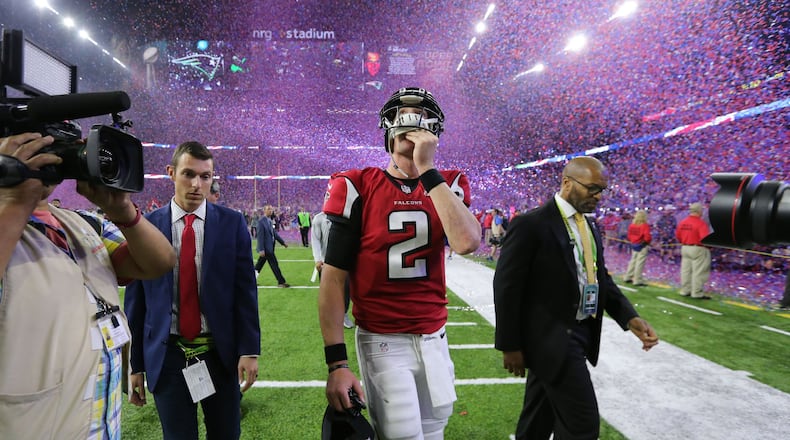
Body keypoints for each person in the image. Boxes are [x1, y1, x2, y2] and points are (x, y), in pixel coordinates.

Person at [318, 87, 481, 439]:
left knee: (435, 430)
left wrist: (427, 168)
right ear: (388, 127)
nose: (412, 121)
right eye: (404, 114)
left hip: (435, 337)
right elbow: (332, 280)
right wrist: (337, 364)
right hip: (383, 339)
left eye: (421, 115)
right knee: (402, 434)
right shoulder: (359, 185)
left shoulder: (448, 182)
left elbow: (467, 241)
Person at [0, 132, 176, 439]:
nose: (51, 155)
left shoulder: (85, 223)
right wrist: (14, 198)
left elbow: (158, 262)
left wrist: (123, 210)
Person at [493, 156, 659, 440]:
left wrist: (629, 317)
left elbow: (600, 279)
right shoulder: (532, 224)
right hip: (551, 337)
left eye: (602, 190)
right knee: (582, 426)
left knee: (538, 417)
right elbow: (506, 287)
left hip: (581, 331)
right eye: (592, 188)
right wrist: (510, 344)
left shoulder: (589, 226)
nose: (598, 196)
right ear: (567, 182)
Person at [124, 141, 260, 440]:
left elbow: (245, 292)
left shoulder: (232, 223)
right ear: (171, 173)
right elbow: (136, 303)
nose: (197, 184)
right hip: (168, 354)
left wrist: (249, 350)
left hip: (219, 354)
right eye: (188, 174)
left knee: (226, 434)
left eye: (205, 176)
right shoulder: (147, 226)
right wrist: (134, 365)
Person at [312, 211, 353, 328]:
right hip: (325, 262)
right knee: (327, 292)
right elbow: (315, 239)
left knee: (346, 290)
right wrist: (318, 259)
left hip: (344, 261)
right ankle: (329, 316)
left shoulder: (345, 216)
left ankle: (343, 314)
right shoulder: (318, 218)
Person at [675, 202, 712, 299]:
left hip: (685, 247)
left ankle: (685, 290)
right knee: (699, 271)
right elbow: (705, 239)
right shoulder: (700, 223)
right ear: (700, 211)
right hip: (698, 249)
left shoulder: (683, 222)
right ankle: (696, 292)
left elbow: (678, 235)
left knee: (685, 270)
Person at [255, 204, 290, 287]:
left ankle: (250, 281)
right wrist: (261, 249)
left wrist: (283, 243)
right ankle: (281, 282)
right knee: (274, 265)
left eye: (271, 209)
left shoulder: (269, 221)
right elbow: (260, 237)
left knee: (258, 266)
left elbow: (274, 234)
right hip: (266, 249)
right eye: (269, 209)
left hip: (269, 248)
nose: (271, 210)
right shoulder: (261, 221)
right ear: (264, 210)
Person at [623, 210, 652, 286]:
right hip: (642, 245)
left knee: (633, 261)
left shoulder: (632, 225)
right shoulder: (644, 225)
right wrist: (645, 243)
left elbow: (629, 236)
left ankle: (628, 276)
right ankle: (637, 279)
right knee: (640, 263)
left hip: (634, 244)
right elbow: (647, 237)